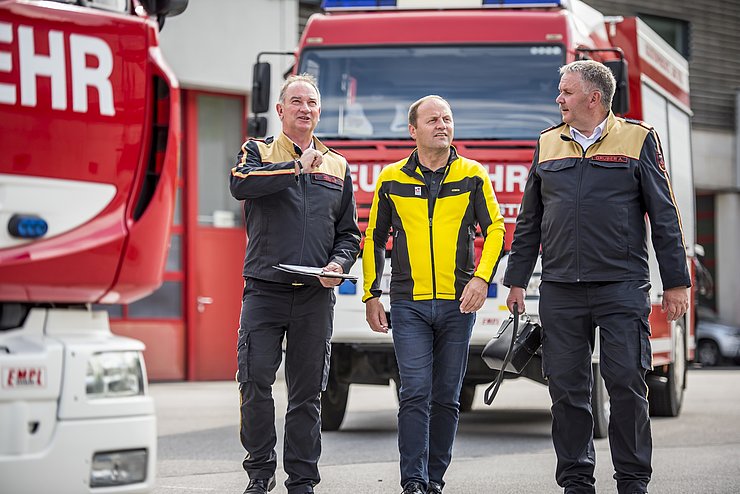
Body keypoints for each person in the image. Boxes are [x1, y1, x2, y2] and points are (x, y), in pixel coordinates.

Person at [504, 60, 691, 494]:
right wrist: (516, 280)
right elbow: (529, 219)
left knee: (626, 382)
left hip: (621, 286)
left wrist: (677, 281)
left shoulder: (638, 139)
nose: (558, 99)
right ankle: (575, 483)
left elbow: (664, 215)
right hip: (561, 289)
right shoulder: (548, 143)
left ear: (593, 97)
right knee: (567, 391)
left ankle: (632, 481)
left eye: (566, 92)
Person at [363, 95, 506, 494]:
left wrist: (481, 279)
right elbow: (374, 237)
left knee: (446, 396)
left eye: (447, 118)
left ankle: (434, 481)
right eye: (432, 120)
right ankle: (413, 482)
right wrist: (372, 294)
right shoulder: (392, 178)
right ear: (413, 130)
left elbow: (495, 229)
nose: (442, 125)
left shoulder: (472, 174)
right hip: (408, 305)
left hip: (458, 304)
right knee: (415, 392)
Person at [229, 73, 361, 494]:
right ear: (281, 110)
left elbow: (349, 233)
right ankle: (260, 472)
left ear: (319, 112)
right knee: (254, 382)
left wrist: (338, 264)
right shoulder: (258, 151)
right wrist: (294, 166)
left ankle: (302, 479)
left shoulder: (338, 164)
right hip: (264, 289)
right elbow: (240, 185)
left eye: (313, 103)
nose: (306, 108)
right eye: (297, 101)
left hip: (314, 297)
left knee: (307, 393)